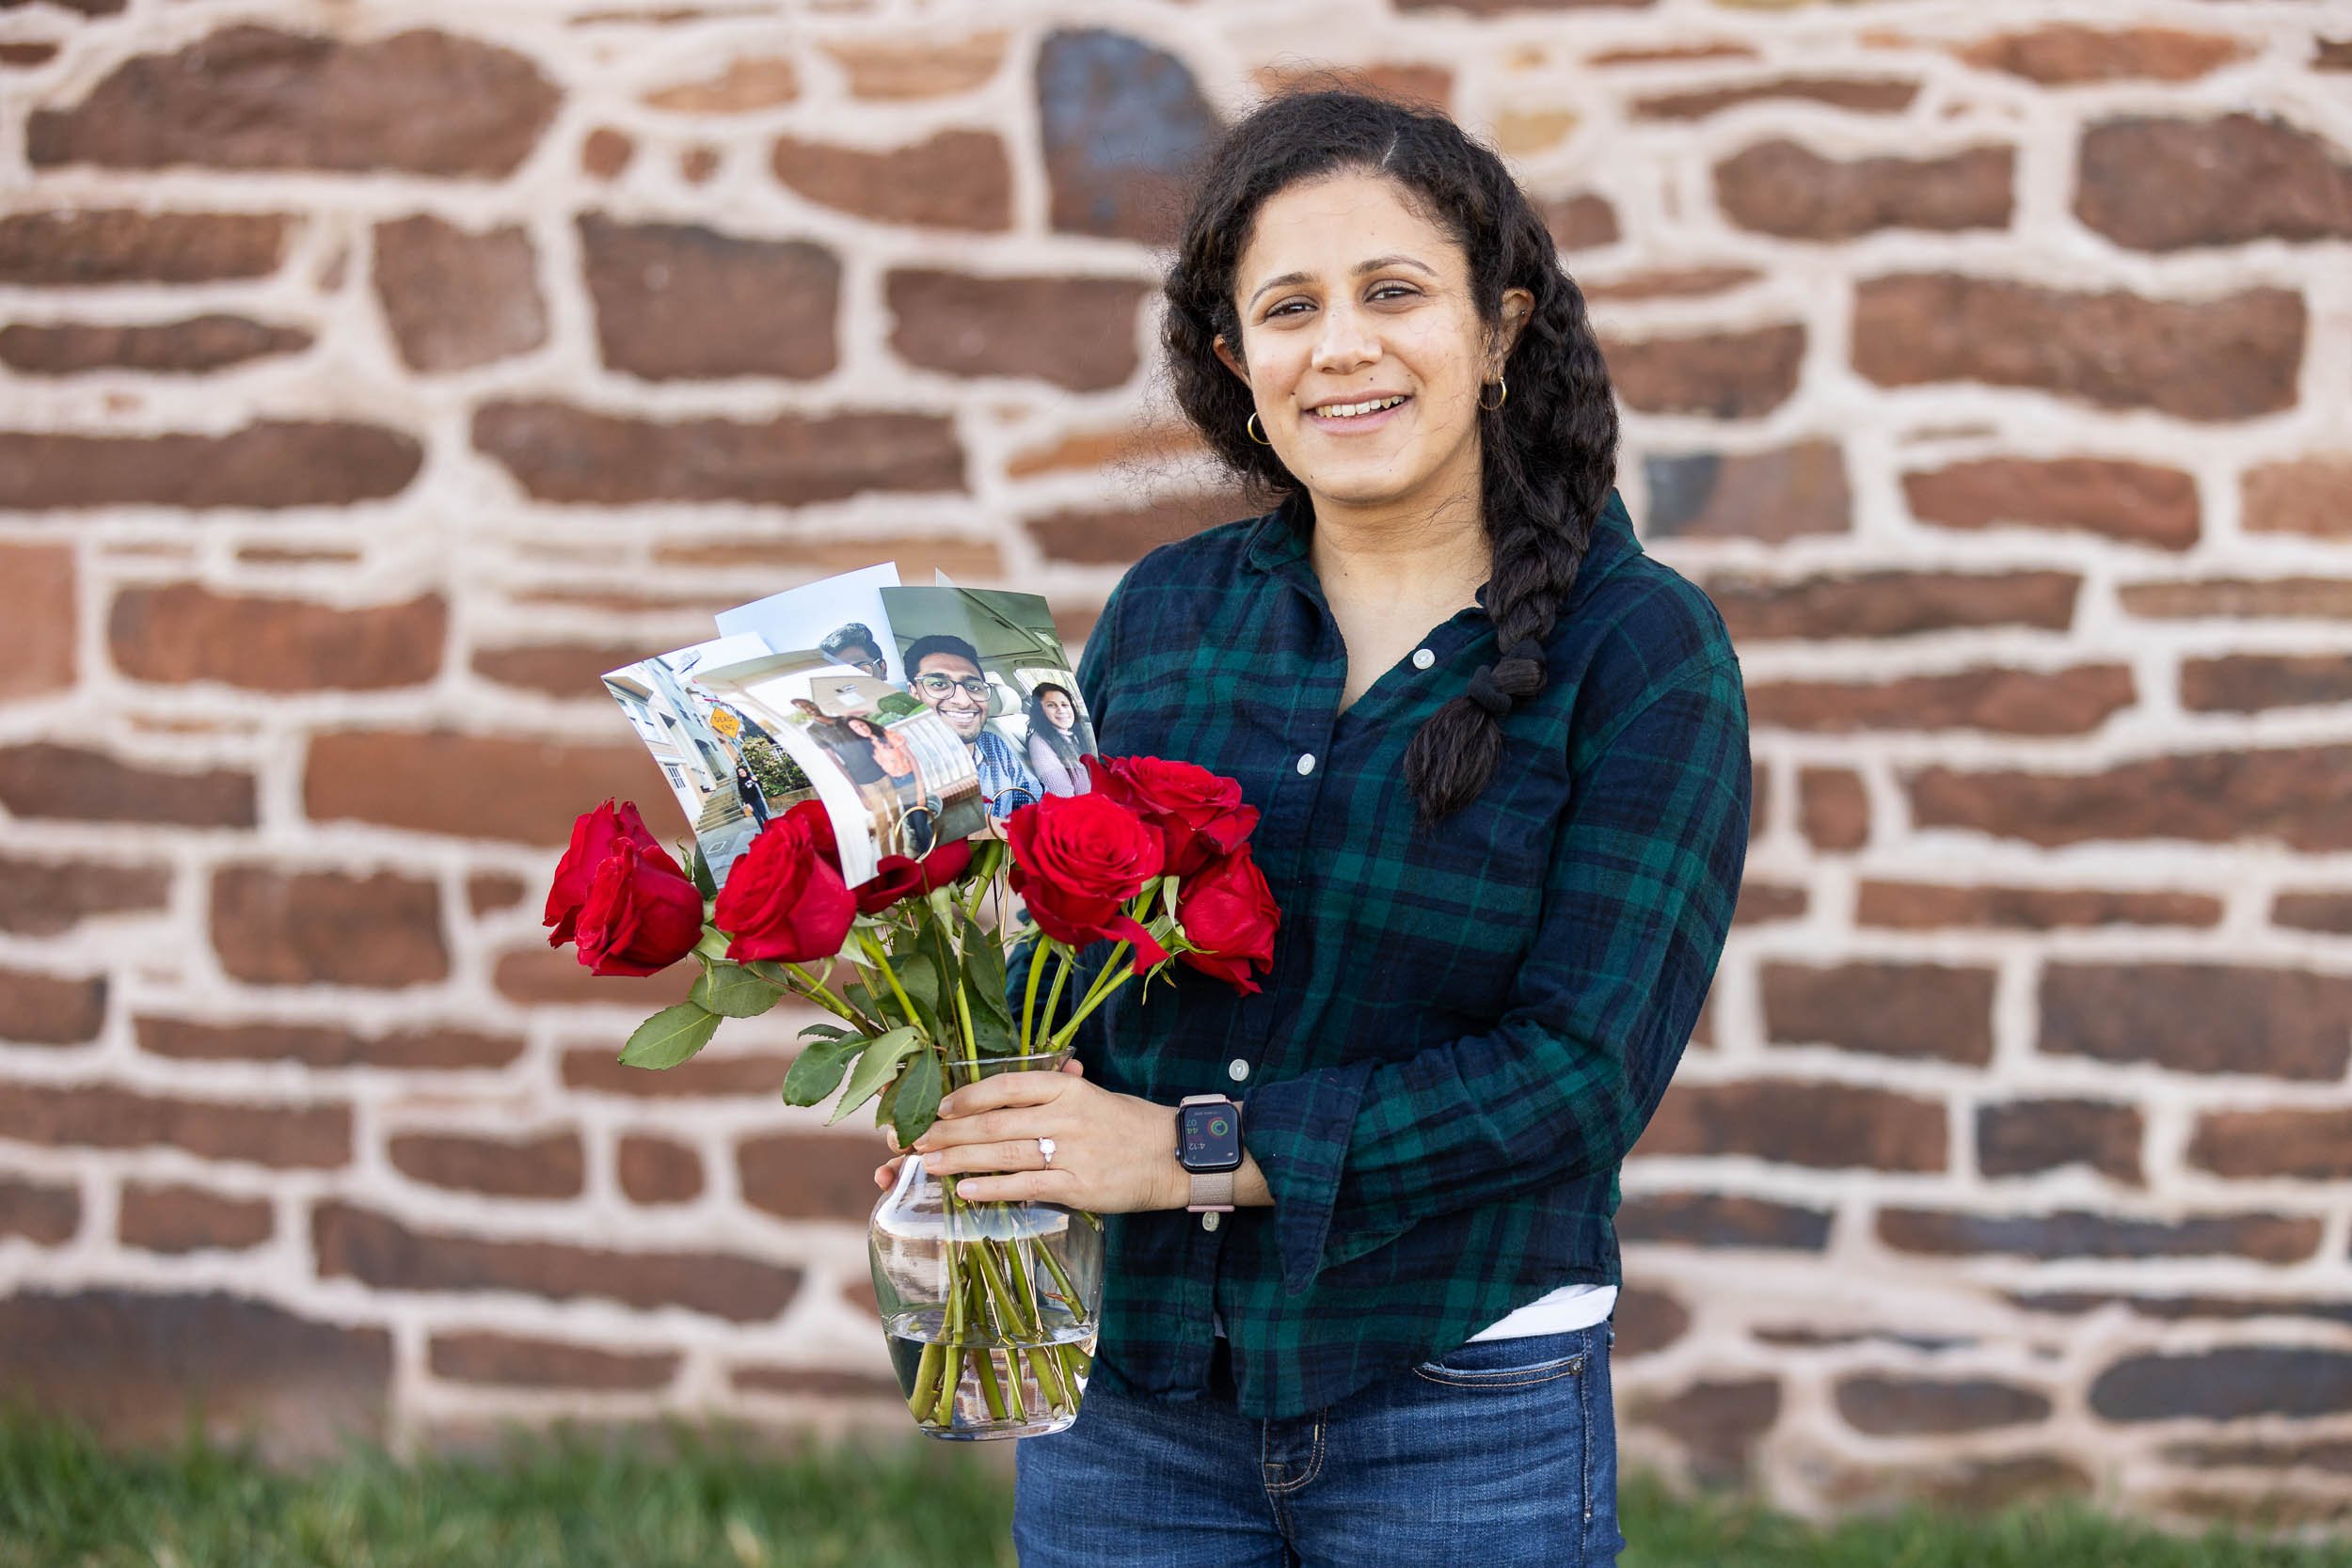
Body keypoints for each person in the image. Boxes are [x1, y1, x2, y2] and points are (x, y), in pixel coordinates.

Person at [875, 89, 1749, 1567]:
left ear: (1500, 329)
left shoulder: (1641, 650)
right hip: (1139, 1403)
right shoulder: (1167, 612)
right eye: (1288, 307)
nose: (1341, 345)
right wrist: (972, 1088)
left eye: (1393, 292)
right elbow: (1067, 959)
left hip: (1461, 1392)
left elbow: (1579, 1074)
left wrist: (1188, 1151)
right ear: (1236, 359)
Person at [903, 632, 1043, 820]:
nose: (963, 701)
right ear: (914, 692)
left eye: (973, 687)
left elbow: (1031, 804)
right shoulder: (900, 766)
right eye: (938, 684)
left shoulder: (994, 746)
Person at [1022, 681, 1092, 797]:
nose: (1061, 710)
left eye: (1064, 704)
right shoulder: (1040, 744)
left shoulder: (1073, 734)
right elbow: (1064, 799)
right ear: (1041, 711)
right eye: (1051, 705)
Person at [732, 762, 771, 830]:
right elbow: (742, 794)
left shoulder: (751, 777)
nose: (742, 773)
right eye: (740, 772)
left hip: (757, 798)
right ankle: (764, 831)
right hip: (750, 802)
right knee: (758, 818)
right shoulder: (740, 782)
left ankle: (770, 829)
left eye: (742, 771)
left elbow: (759, 787)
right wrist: (747, 804)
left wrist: (757, 780)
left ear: (745, 771)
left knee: (764, 815)